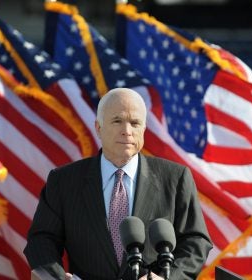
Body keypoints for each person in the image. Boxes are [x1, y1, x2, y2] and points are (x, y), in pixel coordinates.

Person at [24, 88, 213, 280]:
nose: (127, 131)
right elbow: (41, 240)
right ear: (98, 127)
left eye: (135, 123)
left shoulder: (175, 178)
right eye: (117, 121)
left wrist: (168, 278)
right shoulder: (63, 181)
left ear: (144, 129)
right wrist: (57, 277)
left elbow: (195, 241)